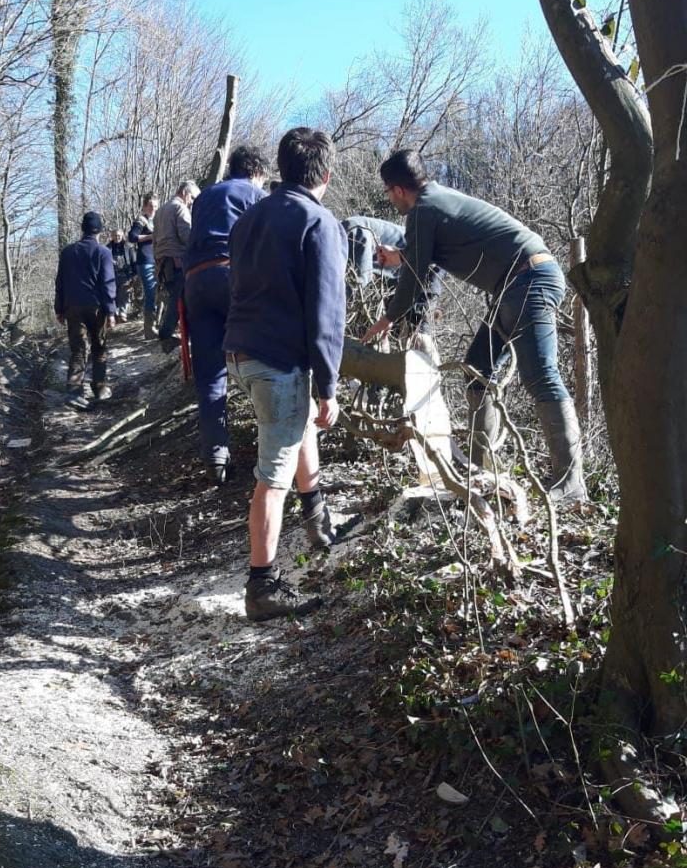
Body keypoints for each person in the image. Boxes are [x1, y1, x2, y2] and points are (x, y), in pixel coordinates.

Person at [365, 149, 587, 502]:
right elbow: (426, 258)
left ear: (398, 189)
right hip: (515, 285)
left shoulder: (423, 210)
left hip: (530, 279)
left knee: (542, 374)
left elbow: (415, 278)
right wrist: (402, 257)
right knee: (478, 370)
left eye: (389, 193)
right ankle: (485, 470)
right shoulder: (435, 201)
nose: (391, 200)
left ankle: (571, 482)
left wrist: (388, 319)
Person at [224, 127, 347, 622]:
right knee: (271, 477)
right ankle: (263, 586)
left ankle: (317, 519)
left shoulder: (250, 217)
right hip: (277, 361)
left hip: (240, 352)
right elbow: (327, 312)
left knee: (295, 428)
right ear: (327, 174)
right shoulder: (319, 222)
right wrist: (330, 384)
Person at [184, 145, 269, 484]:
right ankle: (270, 447)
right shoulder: (255, 193)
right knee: (264, 359)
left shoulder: (203, 197)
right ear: (257, 172)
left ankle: (217, 457)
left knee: (209, 373)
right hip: (231, 275)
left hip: (195, 284)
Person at [343, 213, 442, 344]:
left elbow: (365, 280)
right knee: (358, 295)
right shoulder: (339, 242)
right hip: (361, 235)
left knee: (418, 335)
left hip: (427, 263)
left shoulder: (354, 230)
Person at [54, 211, 116, 402]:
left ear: (82, 229)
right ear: (100, 231)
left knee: (78, 349)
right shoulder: (103, 252)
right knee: (99, 347)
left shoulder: (67, 252)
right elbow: (108, 283)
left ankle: (73, 390)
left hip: (73, 307)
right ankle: (100, 388)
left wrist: (59, 309)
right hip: (96, 308)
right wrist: (111, 311)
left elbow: (60, 282)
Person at [153, 179, 200, 350]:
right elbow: (187, 237)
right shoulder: (180, 208)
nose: (193, 202)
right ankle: (166, 334)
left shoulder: (159, 211)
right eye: (193, 198)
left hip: (164, 264)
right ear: (186, 193)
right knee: (181, 299)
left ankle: (171, 335)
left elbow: (154, 242)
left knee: (178, 299)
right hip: (178, 262)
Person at [128, 194, 158, 337]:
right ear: (145, 206)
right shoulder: (141, 220)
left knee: (158, 292)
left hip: (157, 260)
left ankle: (157, 324)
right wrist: (150, 237)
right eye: (151, 205)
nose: (153, 208)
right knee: (151, 293)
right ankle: (149, 329)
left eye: (156, 206)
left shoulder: (156, 220)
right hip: (145, 261)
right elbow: (132, 237)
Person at [109, 229, 134, 322]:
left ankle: (123, 313)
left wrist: (133, 275)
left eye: (119, 235)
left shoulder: (128, 247)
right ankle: (115, 314)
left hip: (125, 274)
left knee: (125, 293)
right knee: (113, 295)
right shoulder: (107, 248)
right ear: (111, 236)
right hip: (111, 275)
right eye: (115, 235)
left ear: (122, 235)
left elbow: (133, 261)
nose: (117, 237)